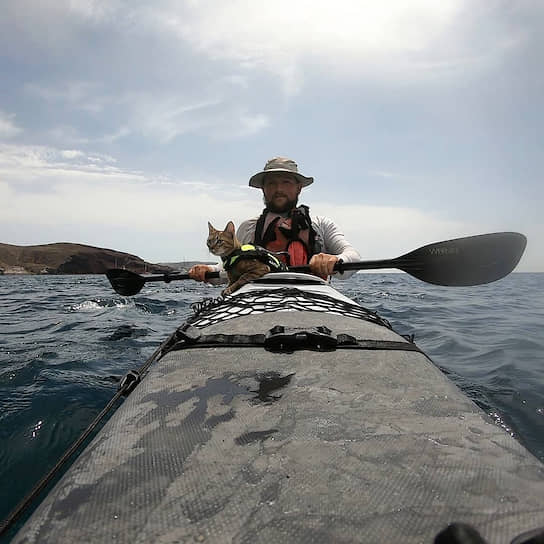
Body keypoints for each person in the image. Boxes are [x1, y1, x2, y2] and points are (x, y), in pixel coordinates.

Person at [189, 157, 361, 282]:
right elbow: (232, 267)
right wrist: (209, 270)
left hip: (312, 298)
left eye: (286, 182)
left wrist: (335, 260)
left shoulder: (322, 225)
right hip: (258, 300)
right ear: (263, 189)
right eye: (271, 183)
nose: (279, 189)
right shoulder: (248, 227)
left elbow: (353, 256)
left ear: (299, 188)